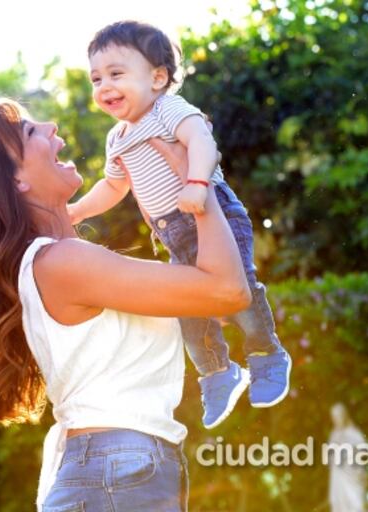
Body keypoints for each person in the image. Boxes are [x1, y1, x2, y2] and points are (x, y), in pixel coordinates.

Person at [0, 98, 251, 511]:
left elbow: (220, 303)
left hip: (120, 470)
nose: (50, 126)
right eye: (31, 132)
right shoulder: (63, 263)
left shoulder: (63, 263)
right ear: (16, 182)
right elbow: (227, 290)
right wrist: (195, 181)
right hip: (117, 472)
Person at [67, 20, 291, 429]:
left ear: (157, 77)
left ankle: (266, 354)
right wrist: (78, 212)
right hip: (172, 232)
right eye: (96, 78)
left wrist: (197, 184)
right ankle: (217, 372)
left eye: (116, 74)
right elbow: (114, 186)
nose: (104, 86)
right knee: (187, 306)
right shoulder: (117, 138)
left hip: (213, 208)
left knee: (238, 295)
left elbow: (204, 144)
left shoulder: (169, 109)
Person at [328, 403, 368, 512]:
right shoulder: (334, 435)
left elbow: (363, 452)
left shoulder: (354, 433)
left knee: (357, 504)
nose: (337, 420)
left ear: (344, 416)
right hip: (338, 475)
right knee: (339, 504)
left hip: (353, 473)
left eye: (339, 416)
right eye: (334, 417)